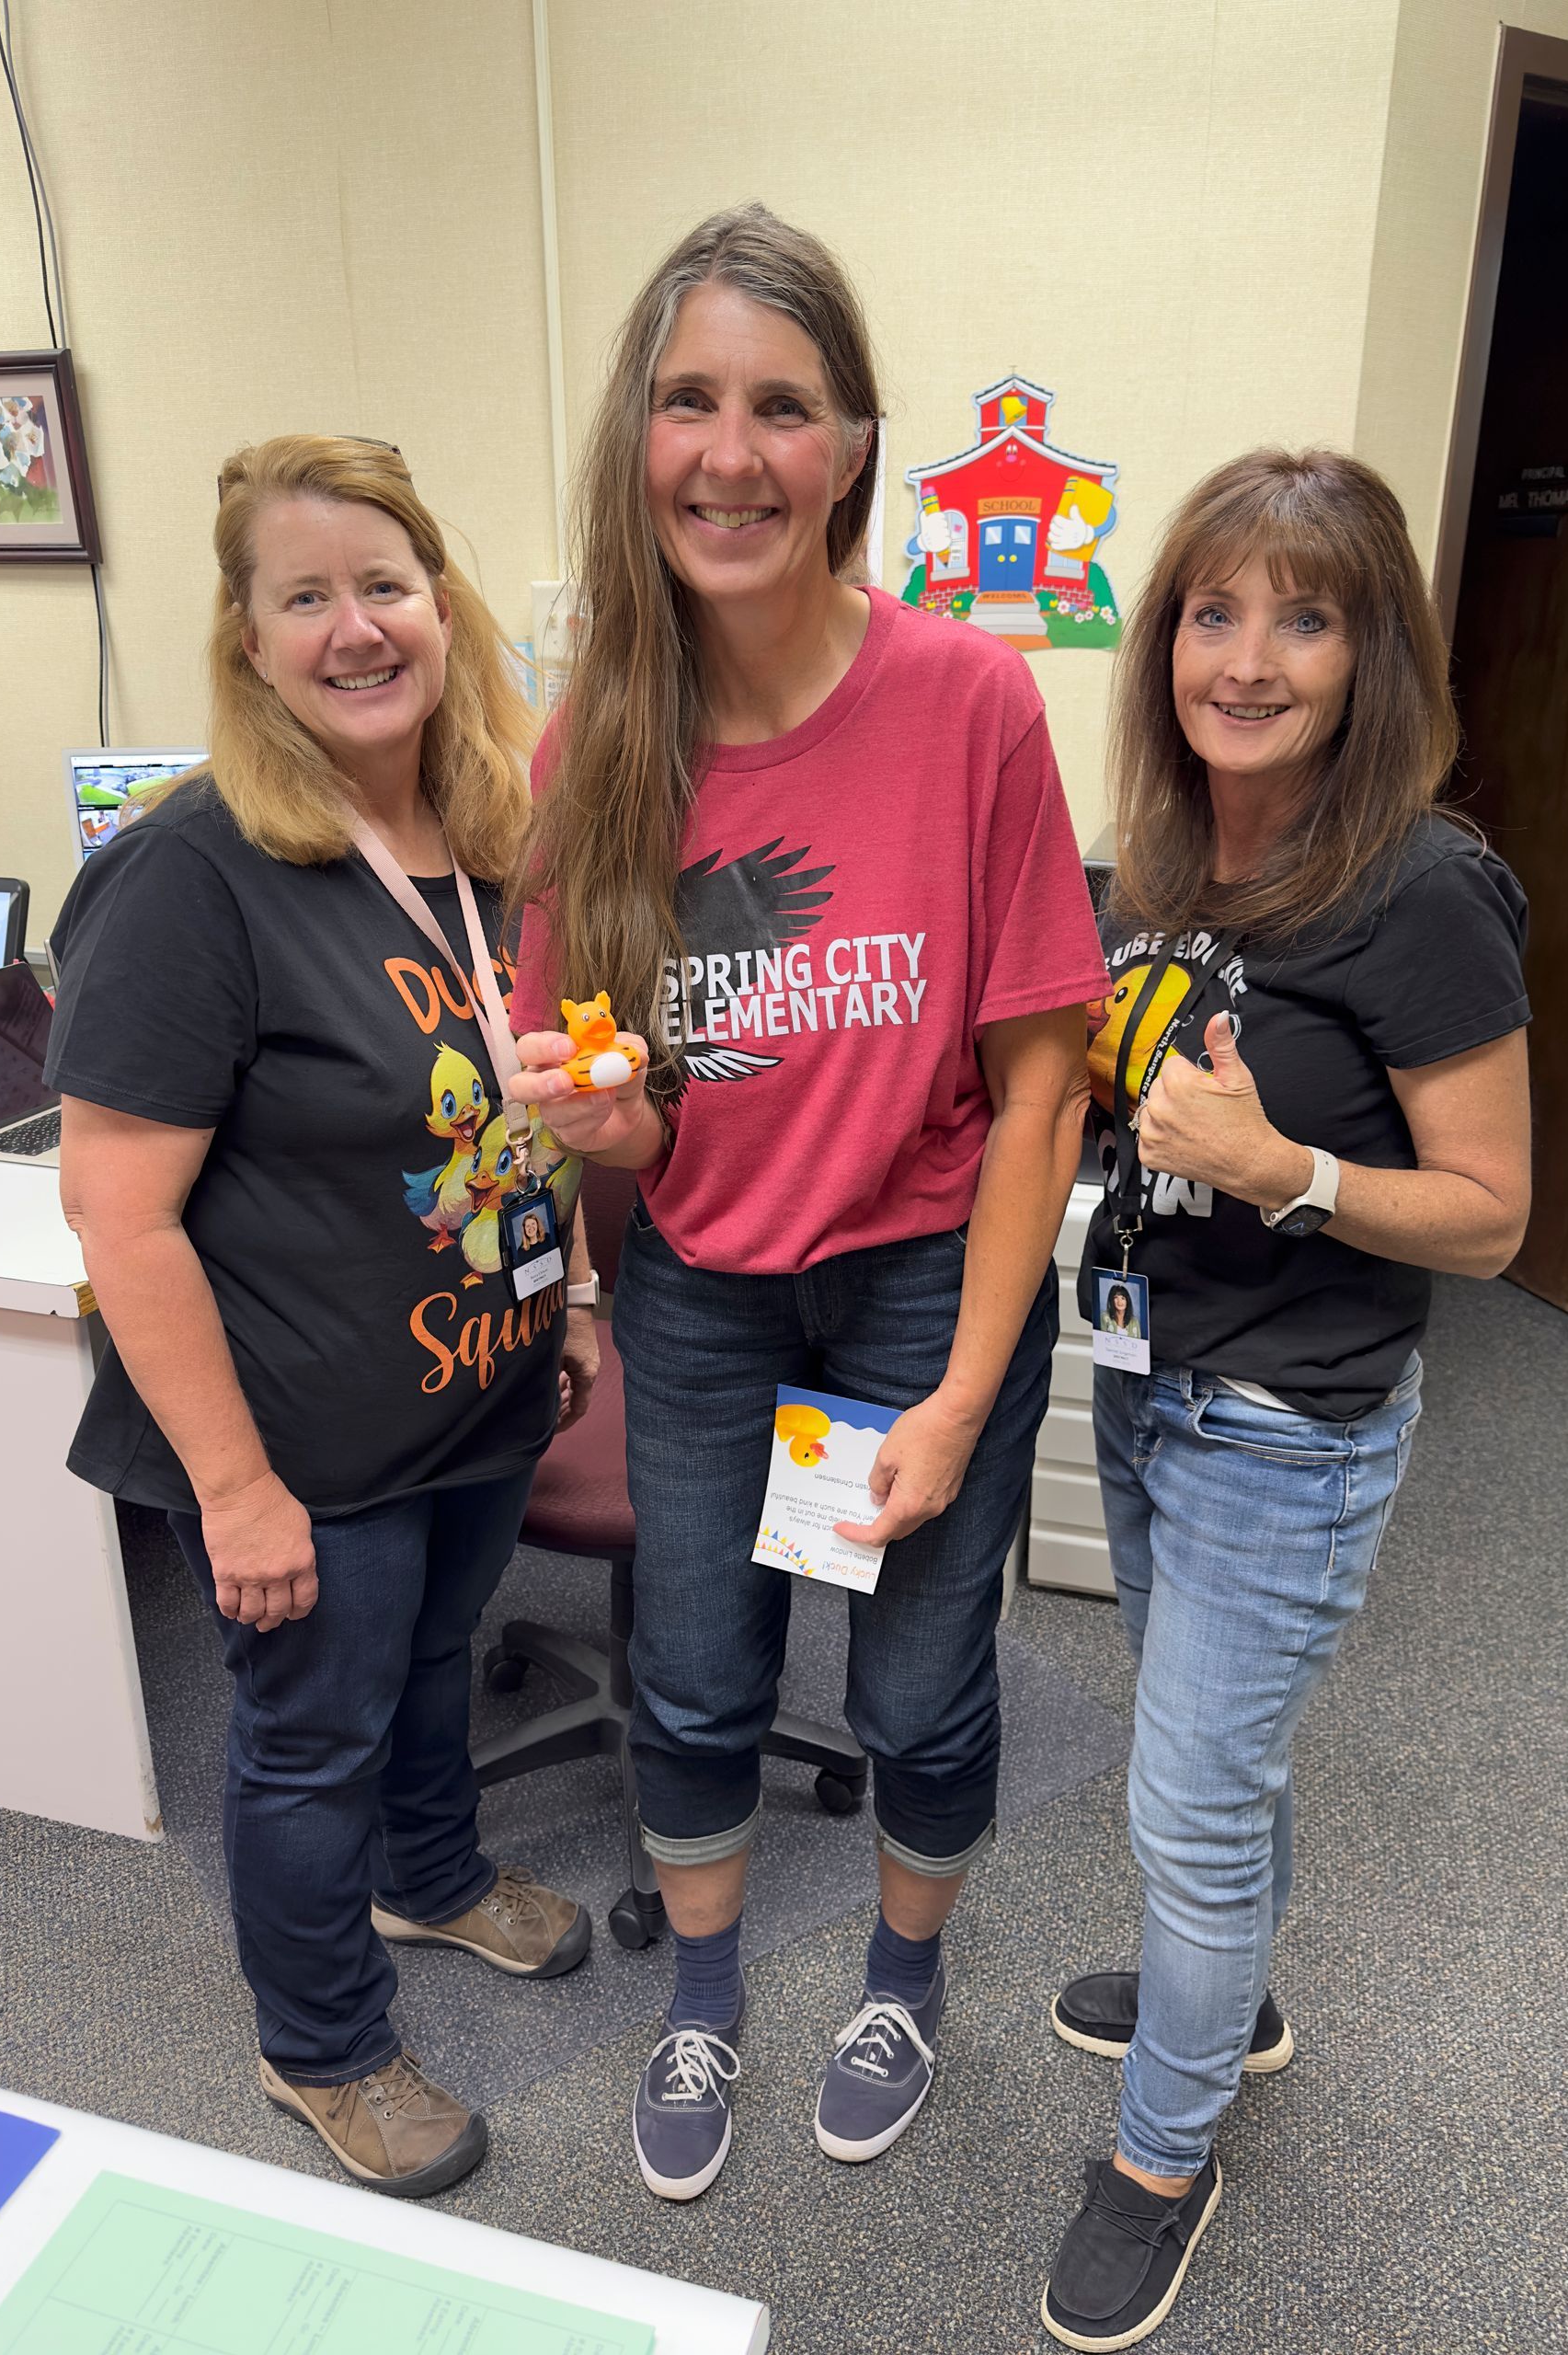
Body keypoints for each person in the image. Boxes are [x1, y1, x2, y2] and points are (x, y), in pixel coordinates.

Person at [505, 204, 1107, 2200]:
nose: (730, 451)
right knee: (693, 1668)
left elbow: (1042, 1086)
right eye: (689, 400)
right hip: (698, 1285)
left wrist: (960, 1399)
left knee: (923, 1678)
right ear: (640, 434)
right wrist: (598, 1131)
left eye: (780, 405)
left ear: (850, 446)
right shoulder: (597, 741)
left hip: (927, 1265)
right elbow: (623, 1112)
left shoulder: (970, 705)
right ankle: (703, 1993)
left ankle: (900, 1978)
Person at [48, 435, 599, 2200]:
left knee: (437, 1667)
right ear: (251, 637)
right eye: (307, 598)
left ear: (440, 603)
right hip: (306, 1435)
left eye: (383, 584)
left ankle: (430, 1876)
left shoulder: (495, 837)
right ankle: (323, 2045)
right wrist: (232, 1490)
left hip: (479, 1385)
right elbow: (117, 1216)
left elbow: (529, 1090)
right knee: (310, 1736)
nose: (355, 628)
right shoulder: (193, 874)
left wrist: (568, 1288)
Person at [1038, 449, 1532, 2350]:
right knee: (1214, 1772)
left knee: (1185, 1802)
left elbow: (1489, 1215)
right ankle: (1228, 2002)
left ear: (1369, 650)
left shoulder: (1419, 880)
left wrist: (1287, 1169)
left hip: (1291, 1423)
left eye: (1303, 616)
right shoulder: (1176, 857)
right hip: (1160, 1387)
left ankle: (1168, 2150)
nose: (1248, 658)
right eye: (1215, 611)